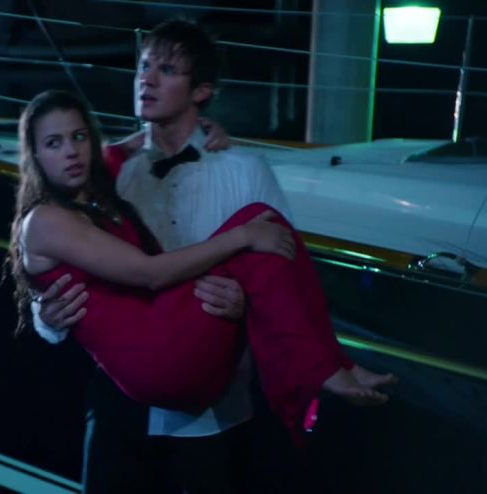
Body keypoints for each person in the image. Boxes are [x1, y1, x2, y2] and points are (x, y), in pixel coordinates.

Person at [20, 21, 396, 493]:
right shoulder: (109, 171)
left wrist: (243, 305)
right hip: (122, 398)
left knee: (264, 230)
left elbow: (282, 278)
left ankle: (326, 368)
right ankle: (326, 370)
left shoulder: (244, 170)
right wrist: (47, 317)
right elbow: (57, 266)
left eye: (166, 70)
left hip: (210, 406)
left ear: (201, 91)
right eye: (143, 67)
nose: (146, 80)